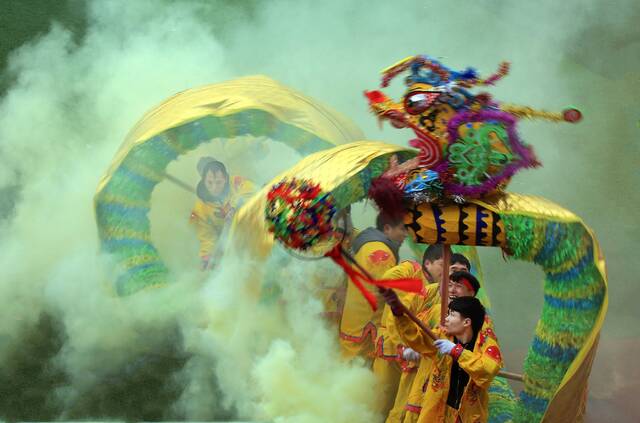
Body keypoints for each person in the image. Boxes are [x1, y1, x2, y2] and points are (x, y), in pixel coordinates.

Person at [377, 255, 473, 423]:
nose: (458, 277)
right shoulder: (425, 293)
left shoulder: (472, 310)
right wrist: (405, 347)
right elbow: (399, 319)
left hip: (448, 375)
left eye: (463, 272)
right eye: (453, 271)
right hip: (417, 366)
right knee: (403, 411)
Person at [383, 291, 502, 423]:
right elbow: (417, 338)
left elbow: (488, 369)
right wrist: (399, 314)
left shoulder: (486, 342)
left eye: (452, 315)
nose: (446, 319)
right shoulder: (442, 336)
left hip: (467, 416)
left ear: (466, 322)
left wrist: (456, 351)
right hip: (437, 412)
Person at [338, 213, 408, 362]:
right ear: (387, 228)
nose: (405, 235)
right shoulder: (382, 253)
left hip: (354, 325)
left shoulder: (367, 245)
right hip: (367, 331)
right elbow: (388, 291)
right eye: (402, 229)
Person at [189, 157, 254, 270]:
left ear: (224, 177)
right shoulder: (200, 209)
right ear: (203, 178)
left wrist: (234, 207)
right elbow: (206, 237)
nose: (214, 188)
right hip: (230, 242)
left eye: (218, 182)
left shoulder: (236, 182)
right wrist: (206, 257)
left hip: (251, 227)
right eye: (209, 182)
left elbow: (251, 191)